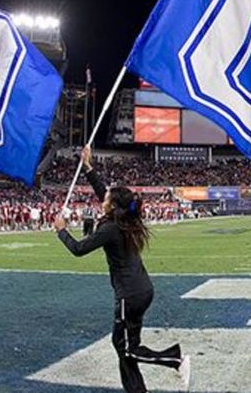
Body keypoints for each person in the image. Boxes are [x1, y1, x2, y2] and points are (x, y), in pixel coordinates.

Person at [53, 146, 191, 392]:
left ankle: (176, 359)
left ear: (113, 206)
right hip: (141, 290)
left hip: (130, 295)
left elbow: (78, 249)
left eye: (107, 199)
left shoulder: (109, 229)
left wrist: (62, 230)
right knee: (122, 346)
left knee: (126, 348)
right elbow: (104, 192)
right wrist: (88, 168)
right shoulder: (125, 220)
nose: (102, 199)